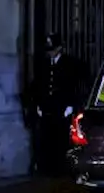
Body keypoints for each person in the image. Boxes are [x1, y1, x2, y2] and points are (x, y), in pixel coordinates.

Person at [28, 33, 88, 176]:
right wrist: (38, 105)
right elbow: (39, 85)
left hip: (63, 107)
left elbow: (77, 86)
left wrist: (72, 105)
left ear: (59, 48)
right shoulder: (44, 64)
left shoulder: (71, 64)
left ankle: (61, 169)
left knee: (61, 139)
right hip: (47, 107)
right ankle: (47, 168)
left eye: (52, 49)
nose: (50, 52)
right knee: (46, 138)